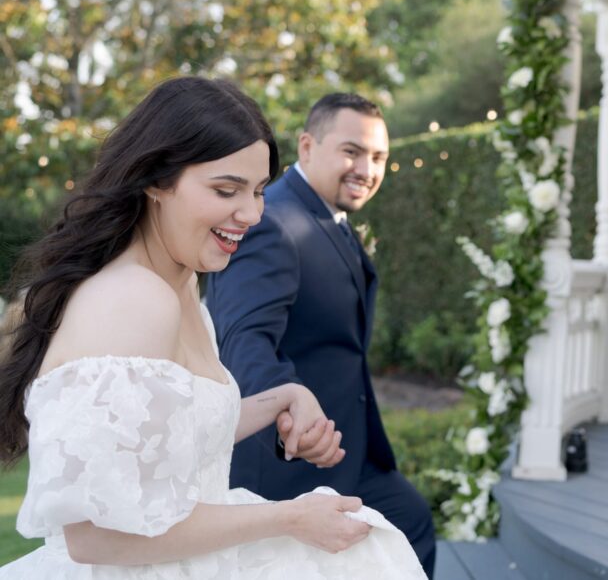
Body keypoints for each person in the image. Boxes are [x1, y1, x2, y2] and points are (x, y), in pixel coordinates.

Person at [0, 77, 426, 579]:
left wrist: (280, 398)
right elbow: (97, 534)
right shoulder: (133, 300)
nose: (251, 214)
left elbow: (175, 434)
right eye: (226, 190)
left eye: (259, 191)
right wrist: (289, 517)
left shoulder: (180, 283)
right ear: (156, 181)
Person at [206, 93, 436, 577]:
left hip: (350, 454)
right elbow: (245, 342)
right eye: (352, 151)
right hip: (292, 459)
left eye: (379, 158)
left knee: (409, 523)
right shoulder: (272, 222)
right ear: (307, 147)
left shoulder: (329, 220)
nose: (367, 169)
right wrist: (292, 421)